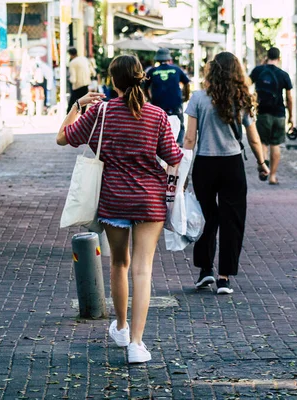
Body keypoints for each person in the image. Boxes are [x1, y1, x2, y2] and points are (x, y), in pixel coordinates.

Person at [56, 55, 183, 364]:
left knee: (120, 264)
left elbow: (62, 138)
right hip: (149, 201)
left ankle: (122, 327)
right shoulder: (156, 116)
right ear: (141, 78)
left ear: (113, 81)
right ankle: (137, 345)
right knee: (143, 269)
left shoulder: (100, 112)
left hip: (113, 199)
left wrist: (77, 106)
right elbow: (174, 156)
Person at [184, 52, 269, 295]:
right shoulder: (242, 98)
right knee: (233, 220)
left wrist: (183, 172)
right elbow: (253, 138)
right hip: (232, 164)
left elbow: (190, 138)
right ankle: (224, 277)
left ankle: (205, 271)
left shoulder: (198, 98)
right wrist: (261, 163)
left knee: (205, 218)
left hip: (204, 164)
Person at [249, 47, 293, 185]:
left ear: (267, 57)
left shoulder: (258, 71)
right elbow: (290, 98)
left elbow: (246, 85)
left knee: (262, 142)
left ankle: (263, 164)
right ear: (279, 58)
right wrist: (291, 117)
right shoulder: (283, 75)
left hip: (262, 113)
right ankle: (272, 176)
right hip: (279, 113)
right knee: (276, 144)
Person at [144, 48, 190, 145]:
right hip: (176, 103)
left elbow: (145, 87)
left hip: (158, 104)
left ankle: (162, 146)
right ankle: (178, 145)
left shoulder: (152, 71)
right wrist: (186, 96)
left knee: (159, 127)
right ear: (169, 58)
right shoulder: (176, 69)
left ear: (157, 59)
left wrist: (149, 98)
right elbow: (187, 83)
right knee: (180, 125)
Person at [67, 47, 95, 113]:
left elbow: (73, 79)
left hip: (77, 85)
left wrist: (69, 80)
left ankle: (68, 117)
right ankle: (83, 116)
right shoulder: (84, 59)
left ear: (70, 55)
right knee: (84, 102)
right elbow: (92, 71)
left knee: (73, 102)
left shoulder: (72, 63)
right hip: (86, 83)